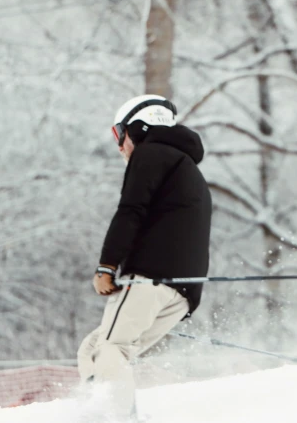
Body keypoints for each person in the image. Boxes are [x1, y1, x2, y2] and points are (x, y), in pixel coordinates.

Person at [77, 94, 212, 419]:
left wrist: (106, 266)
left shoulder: (150, 154)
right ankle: (99, 409)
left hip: (151, 278)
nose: (119, 146)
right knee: (93, 349)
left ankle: (117, 416)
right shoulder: (186, 167)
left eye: (118, 134)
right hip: (182, 291)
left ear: (137, 128)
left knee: (111, 349)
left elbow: (130, 210)